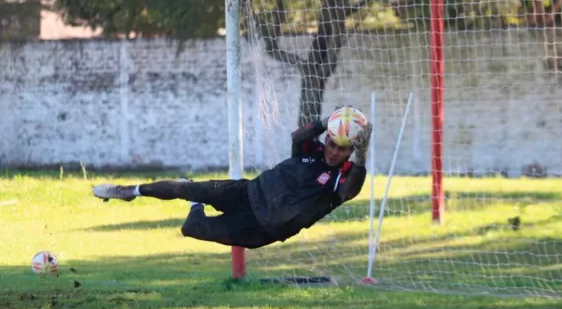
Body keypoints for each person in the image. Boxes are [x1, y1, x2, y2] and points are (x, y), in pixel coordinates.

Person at [92, 110, 372, 249]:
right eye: (332, 143)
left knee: (193, 228)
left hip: (260, 229)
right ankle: (130, 190)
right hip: (247, 192)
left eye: (342, 148)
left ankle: (195, 206)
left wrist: (363, 152)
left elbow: (352, 187)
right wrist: (329, 119)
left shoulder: (343, 179)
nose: (334, 152)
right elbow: (298, 136)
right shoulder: (311, 149)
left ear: (352, 150)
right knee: (183, 187)